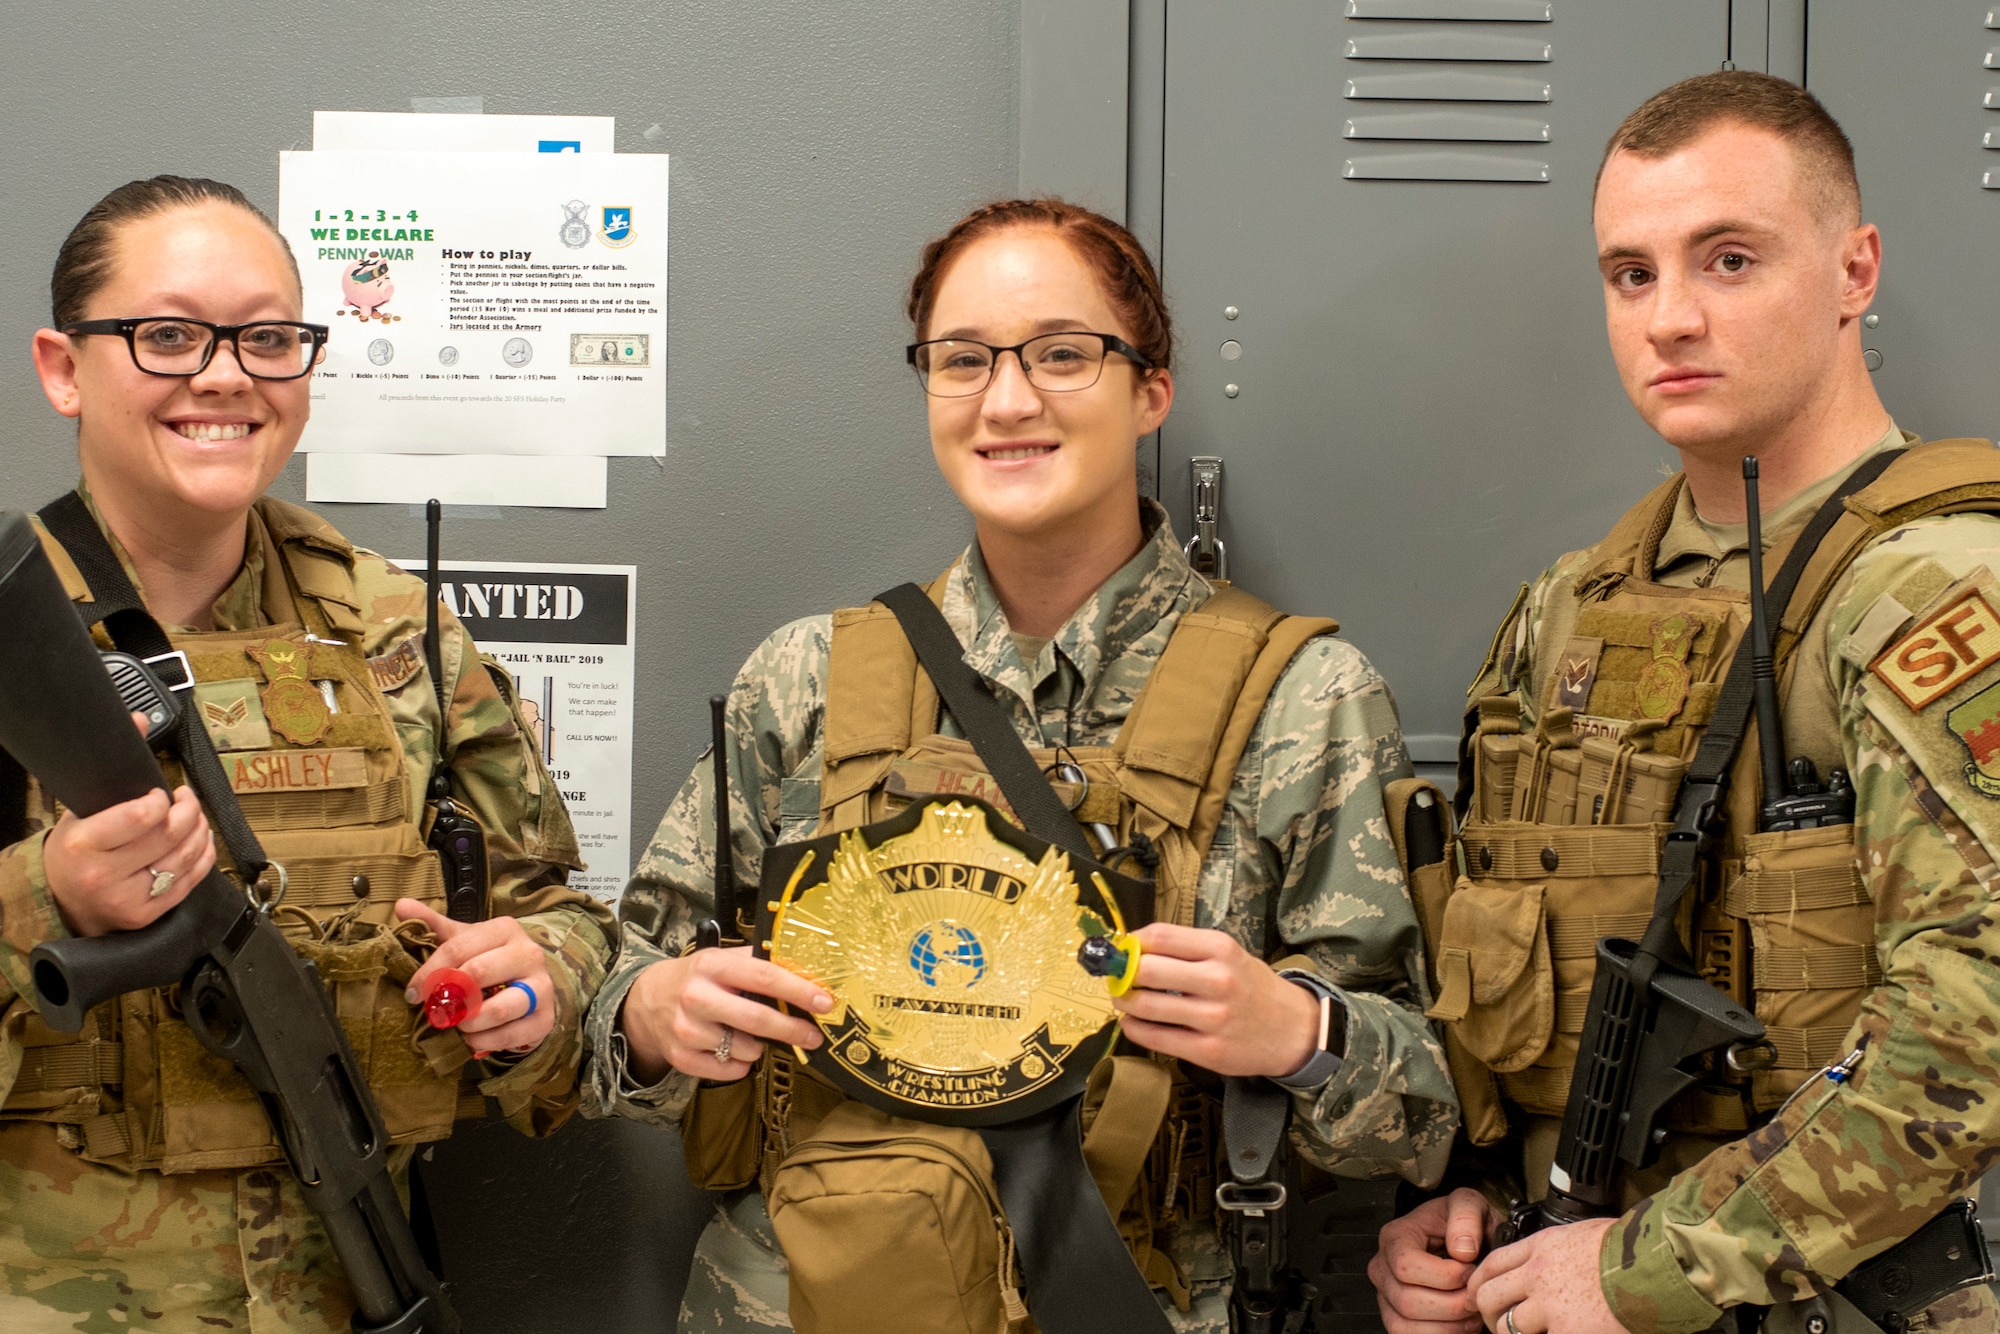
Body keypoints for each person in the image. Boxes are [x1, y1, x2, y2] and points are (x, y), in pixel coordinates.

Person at [583, 197, 1459, 1331]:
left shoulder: (1298, 698)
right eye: (962, 360)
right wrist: (656, 1011)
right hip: (795, 1300)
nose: (1006, 399)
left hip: (1133, 1297)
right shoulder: (804, 680)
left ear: (1151, 389)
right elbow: (611, 1010)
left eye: (1061, 353)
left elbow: (1431, 1101)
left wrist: (1296, 1032)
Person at [1369, 72, 2000, 1334]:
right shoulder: (1567, 608)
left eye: (1726, 258)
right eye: (1630, 273)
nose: (1669, 318)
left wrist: (1641, 1268)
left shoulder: (1932, 592)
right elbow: (1515, 955)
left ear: (1852, 270)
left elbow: (1970, 1030)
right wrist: (1474, 1198)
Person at [0, 175, 616, 1330]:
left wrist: (529, 982)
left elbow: (558, 911)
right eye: (169, 334)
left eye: (268, 337)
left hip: (347, 1286)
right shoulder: (6, 635)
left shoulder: (396, 631)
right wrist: (46, 899)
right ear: (64, 366)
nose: (226, 374)